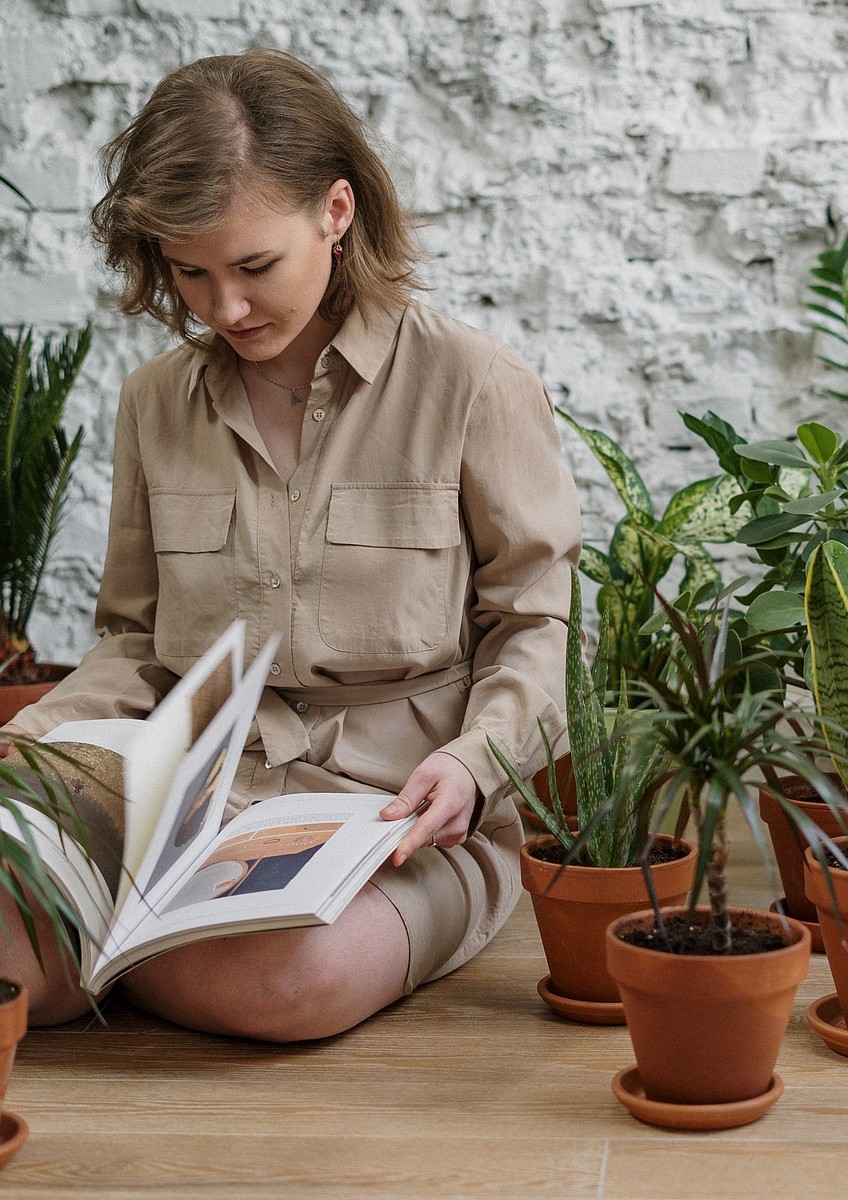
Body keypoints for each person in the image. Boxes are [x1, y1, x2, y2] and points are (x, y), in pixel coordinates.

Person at [0, 47, 580, 1041]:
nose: (223, 308)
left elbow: (532, 620)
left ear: (336, 212)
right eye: (190, 273)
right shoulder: (154, 403)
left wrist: (478, 765)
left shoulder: (473, 385)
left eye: (253, 267)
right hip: (188, 806)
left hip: (401, 823)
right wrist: (25, 751)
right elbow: (135, 644)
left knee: (289, 978)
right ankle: (124, 947)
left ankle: (101, 961)